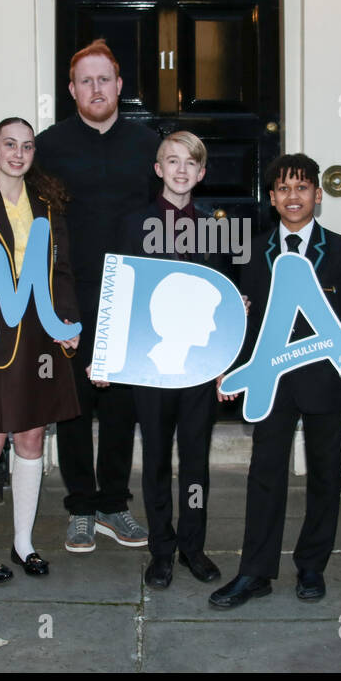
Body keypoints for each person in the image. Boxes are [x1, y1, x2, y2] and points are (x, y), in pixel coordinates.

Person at [210, 153, 341, 608]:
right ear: (272, 198)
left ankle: (312, 565)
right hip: (271, 380)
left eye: (302, 187)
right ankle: (255, 571)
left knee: (324, 473)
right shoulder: (253, 249)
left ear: (316, 194)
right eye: (283, 189)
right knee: (265, 473)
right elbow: (245, 321)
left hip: (325, 378)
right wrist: (230, 368)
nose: (293, 196)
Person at [36, 40, 160, 553]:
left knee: (122, 403)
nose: (95, 88)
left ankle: (114, 503)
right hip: (69, 292)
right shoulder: (48, 145)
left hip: (131, 292)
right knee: (73, 404)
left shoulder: (148, 144)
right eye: (85, 81)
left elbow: (167, 217)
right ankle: (81, 508)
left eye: (103, 79)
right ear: (72, 90)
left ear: (119, 86)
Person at [0, 117, 81, 583]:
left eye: (26, 146)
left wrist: (67, 320)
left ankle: (23, 542)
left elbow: (61, 271)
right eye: (10, 144)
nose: (18, 154)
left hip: (41, 338)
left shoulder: (47, 204)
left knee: (31, 438)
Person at [118, 131, 227, 589]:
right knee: (158, 458)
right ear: (158, 169)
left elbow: (225, 300)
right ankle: (161, 549)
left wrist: (226, 361)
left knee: (197, 460)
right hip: (150, 364)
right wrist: (108, 359)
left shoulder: (215, 229)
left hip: (201, 365)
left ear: (201, 174)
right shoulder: (132, 224)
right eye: (172, 161)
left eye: (191, 163)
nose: (181, 170)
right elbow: (120, 294)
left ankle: (193, 546)